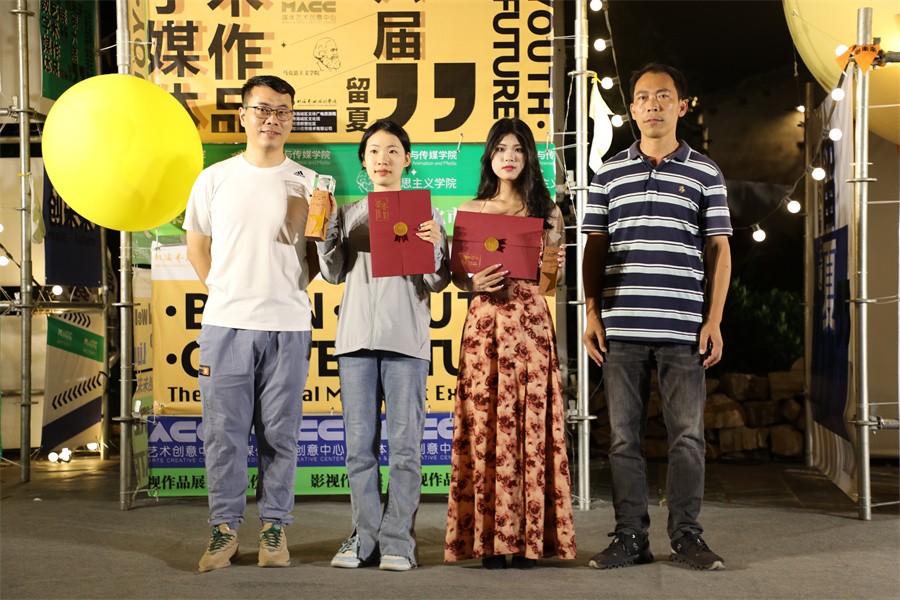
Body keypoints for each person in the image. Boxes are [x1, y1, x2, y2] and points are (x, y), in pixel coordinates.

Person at [581, 63, 732, 571]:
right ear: (631, 109)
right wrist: (592, 313)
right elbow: (594, 248)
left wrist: (713, 319)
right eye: (643, 97)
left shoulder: (705, 172)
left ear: (681, 106)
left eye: (663, 96)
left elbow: (719, 249)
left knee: (687, 437)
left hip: (684, 326)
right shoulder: (608, 174)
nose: (652, 105)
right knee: (623, 437)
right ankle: (631, 537)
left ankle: (687, 537)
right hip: (621, 327)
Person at [184, 75, 320, 573]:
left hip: (289, 325)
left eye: (282, 111)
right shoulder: (213, 178)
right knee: (223, 434)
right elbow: (197, 247)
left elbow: (317, 256)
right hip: (226, 326)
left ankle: (274, 529)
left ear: (291, 120)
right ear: (243, 115)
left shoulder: (310, 182)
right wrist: (226, 292)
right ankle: (223, 531)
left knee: (280, 435)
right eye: (262, 109)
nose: (272, 119)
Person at [317, 119, 451, 572]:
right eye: (374, 151)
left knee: (406, 450)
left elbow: (436, 281)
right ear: (363, 161)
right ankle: (364, 537)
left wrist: (435, 246)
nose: (383, 159)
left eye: (393, 150)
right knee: (359, 449)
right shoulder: (349, 213)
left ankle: (398, 540)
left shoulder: (427, 216)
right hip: (355, 341)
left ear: (407, 159)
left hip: (405, 343)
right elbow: (333, 273)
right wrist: (326, 234)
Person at [444, 117, 576, 570]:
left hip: (531, 326)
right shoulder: (473, 209)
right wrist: (471, 282)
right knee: (485, 425)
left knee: (531, 427)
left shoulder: (548, 212)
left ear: (529, 158)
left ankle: (528, 540)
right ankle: (488, 540)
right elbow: (458, 277)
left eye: (518, 149)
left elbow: (550, 285)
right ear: (489, 156)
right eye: (501, 148)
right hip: (485, 328)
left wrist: (553, 262)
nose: (509, 157)